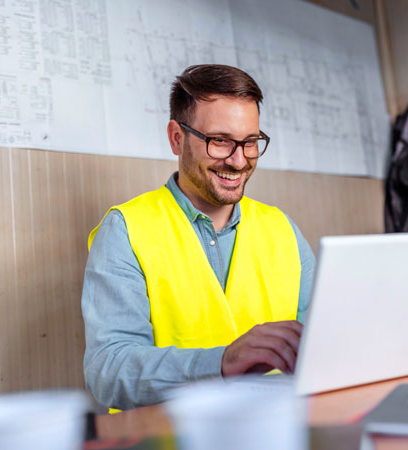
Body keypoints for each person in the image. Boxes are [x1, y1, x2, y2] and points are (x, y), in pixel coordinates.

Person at [81, 64, 315, 409]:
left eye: (250, 142)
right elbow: (109, 370)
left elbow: (322, 345)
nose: (238, 161)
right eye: (220, 141)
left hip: (272, 429)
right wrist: (220, 364)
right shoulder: (125, 229)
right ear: (177, 137)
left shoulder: (282, 228)